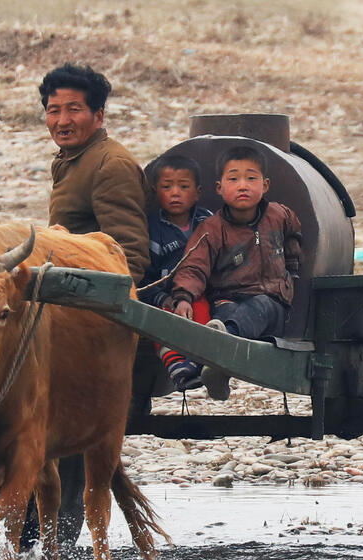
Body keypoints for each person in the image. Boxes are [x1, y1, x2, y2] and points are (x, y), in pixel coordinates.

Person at [169, 145, 302, 400]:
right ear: (219, 188)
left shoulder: (279, 215)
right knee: (228, 313)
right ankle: (218, 366)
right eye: (234, 179)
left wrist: (292, 270)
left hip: (272, 302)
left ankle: (220, 343)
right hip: (228, 300)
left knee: (257, 308)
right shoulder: (212, 229)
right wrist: (183, 297)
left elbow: (294, 235)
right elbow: (194, 266)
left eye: (251, 178)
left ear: (265, 185)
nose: (243, 185)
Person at [39, 63, 150, 282]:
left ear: (98, 116)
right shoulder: (71, 157)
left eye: (74, 109)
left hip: (86, 296)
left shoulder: (111, 165)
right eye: (54, 111)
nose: (62, 121)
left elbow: (129, 259)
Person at [137, 154, 213, 390]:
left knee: (202, 312)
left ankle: (198, 361)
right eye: (167, 187)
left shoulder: (207, 221)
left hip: (200, 291)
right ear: (156, 192)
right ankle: (175, 364)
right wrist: (164, 297)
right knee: (161, 320)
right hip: (164, 293)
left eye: (183, 186)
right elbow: (146, 276)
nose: (175, 193)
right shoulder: (152, 229)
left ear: (197, 192)